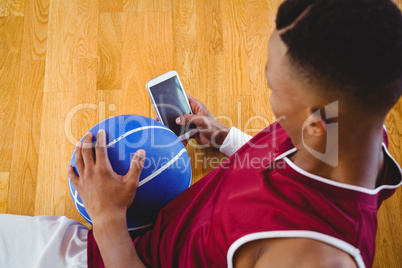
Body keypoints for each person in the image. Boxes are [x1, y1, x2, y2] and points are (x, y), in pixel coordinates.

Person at [1, 0, 402, 267]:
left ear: (317, 122)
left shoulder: (304, 257)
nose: (274, 106)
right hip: (157, 230)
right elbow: (287, 160)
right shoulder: (353, 126)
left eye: (274, 89)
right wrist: (225, 138)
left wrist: (107, 220)